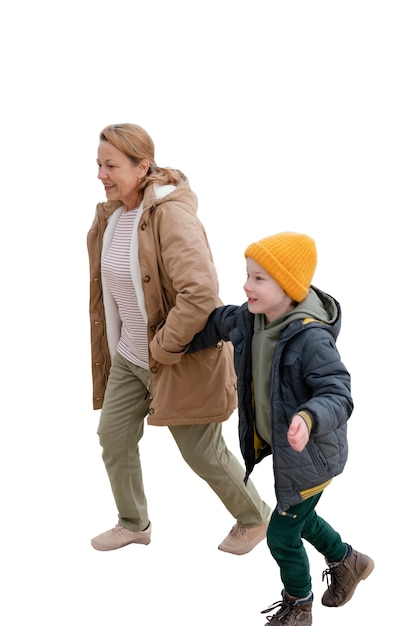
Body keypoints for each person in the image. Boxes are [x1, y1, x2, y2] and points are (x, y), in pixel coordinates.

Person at [86, 123, 271, 554]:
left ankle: (255, 516)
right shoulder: (114, 216)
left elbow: (200, 294)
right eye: (98, 164)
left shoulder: (170, 214)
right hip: (131, 357)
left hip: (177, 359)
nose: (101, 175)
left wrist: (162, 347)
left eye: (111, 165)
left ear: (142, 166)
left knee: (203, 453)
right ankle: (133, 522)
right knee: (113, 438)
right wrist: (130, 349)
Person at [188, 232, 374, 625]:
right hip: (287, 449)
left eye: (259, 279)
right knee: (302, 519)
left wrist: (308, 418)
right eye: (247, 275)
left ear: (287, 287)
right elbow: (217, 323)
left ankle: (298, 604)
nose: (246, 285)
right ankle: (348, 560)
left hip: (313, 454)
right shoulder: (249, 318)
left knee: (282, 534)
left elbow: (338, 393)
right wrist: (180, 343)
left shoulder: (312, 338)